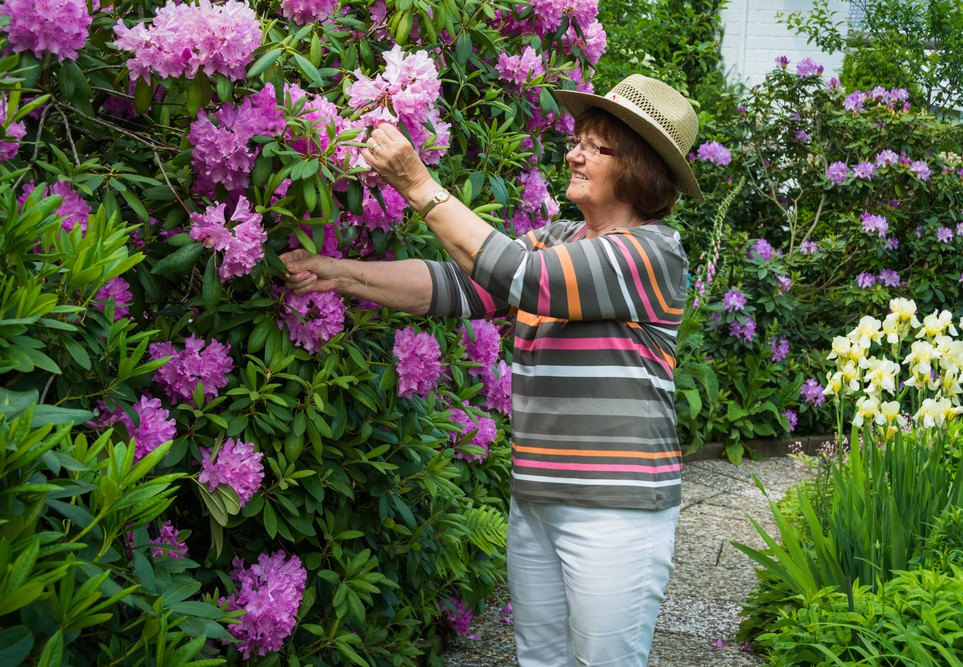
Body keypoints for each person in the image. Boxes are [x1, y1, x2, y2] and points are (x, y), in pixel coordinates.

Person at [281, 74, 703, 667]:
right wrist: (339, 272)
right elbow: (458, 286)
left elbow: (526, 280)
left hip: (615, 509)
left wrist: (418, 184)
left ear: (637, 167)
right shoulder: (559, 238)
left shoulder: (653, 252)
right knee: (540, 660)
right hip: (537, 499)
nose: (573, 153)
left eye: (595, 145)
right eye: (576, 138)